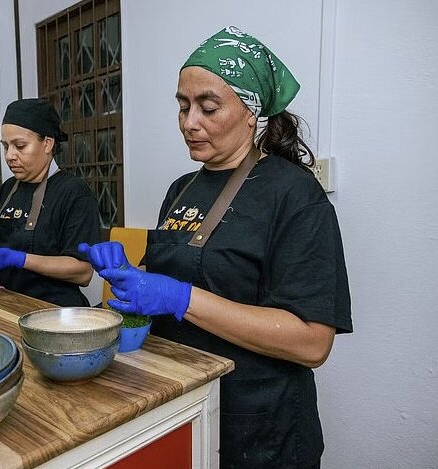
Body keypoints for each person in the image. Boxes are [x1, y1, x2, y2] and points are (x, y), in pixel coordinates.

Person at [79, 26, 352, 468]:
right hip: (183, 408)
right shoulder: (182, 189)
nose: (190, 122)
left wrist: (180, 298)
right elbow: (185, 270)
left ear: (251, 113)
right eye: (183, 106)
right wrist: (130, 277)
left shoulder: (294, 195)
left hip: (260, 428)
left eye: (208, 107)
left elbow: (312, 343)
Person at [0, 98, 100, 307]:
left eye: (20, 146)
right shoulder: (9, 188)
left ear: (47, 143)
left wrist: (21, 259)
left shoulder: (74, 192)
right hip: (10, 303)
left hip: (55, 311)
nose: (10, 156)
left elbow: (83, 272)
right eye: (6, 146)